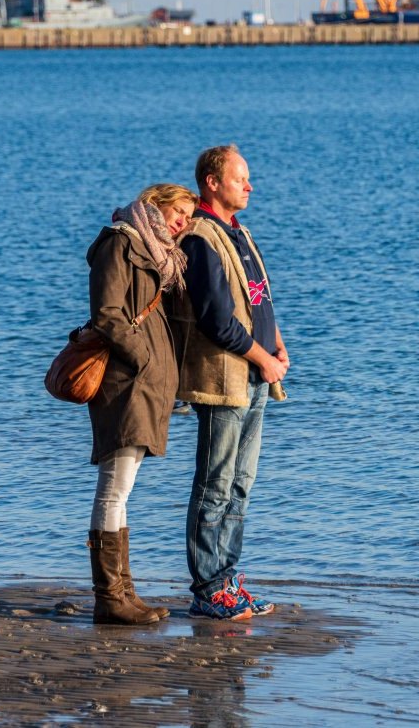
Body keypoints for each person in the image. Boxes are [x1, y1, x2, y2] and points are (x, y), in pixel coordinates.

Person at [171, 144, 288, 622]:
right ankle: (207, 586)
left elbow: (259, 300)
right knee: (215, 484)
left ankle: (228, 577)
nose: (250, 185)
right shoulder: (200, 237)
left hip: (258, 374)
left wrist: (278, 348)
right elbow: (218, 321)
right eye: (241, 178)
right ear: (212, 182)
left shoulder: (239, 232)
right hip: (225, 380)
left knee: (242, 484)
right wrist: (264, 357)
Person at [86, 182, 197, 625]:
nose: (183, 222)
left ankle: (122, 593)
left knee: (122, 490)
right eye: (179, 211)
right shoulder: (119, 243)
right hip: (125, 382)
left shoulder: (154, 252)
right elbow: (107, 314)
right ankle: (110, 598)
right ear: (156, 203)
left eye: (189, 216)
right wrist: (144, 358)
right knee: (114, 488)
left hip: (144, 384)